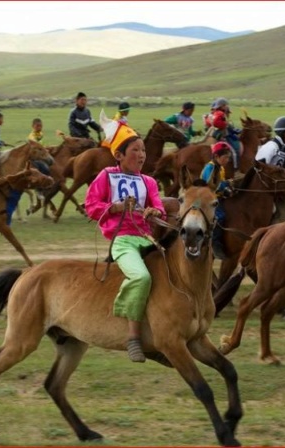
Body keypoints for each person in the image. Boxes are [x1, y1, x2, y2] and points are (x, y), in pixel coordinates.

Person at [85, 118, 165, 363]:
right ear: (119, 155)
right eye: (135, 151)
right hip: (123, 240)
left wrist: (155, 212)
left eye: (143, 150)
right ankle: (132, 337)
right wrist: (115, 207)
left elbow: (159, 205)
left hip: (147, 239)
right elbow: (90, 206)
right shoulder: (106, 175)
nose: (141, 155)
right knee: (141, 277)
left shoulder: (148, 181)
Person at [201, 141, 234, 260]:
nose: (227, 160)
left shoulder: (221, 168)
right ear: (216, 156)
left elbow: (221, 184)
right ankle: (214, 243)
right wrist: (226, 184)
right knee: (220, 216)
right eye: (225, 157)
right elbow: (213, 185)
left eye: (228, 158)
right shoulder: (210, 167)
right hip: (208, 198)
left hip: (217, 196)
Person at [204, 98, 242, 168]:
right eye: (225, 105)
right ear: (222, 106)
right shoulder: (221, 114)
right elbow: (229, 129)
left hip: (211, 134)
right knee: (235, 151)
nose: (228, 114)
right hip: (223, 136)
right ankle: (236, 167)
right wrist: (226, 125)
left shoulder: (213, 114)